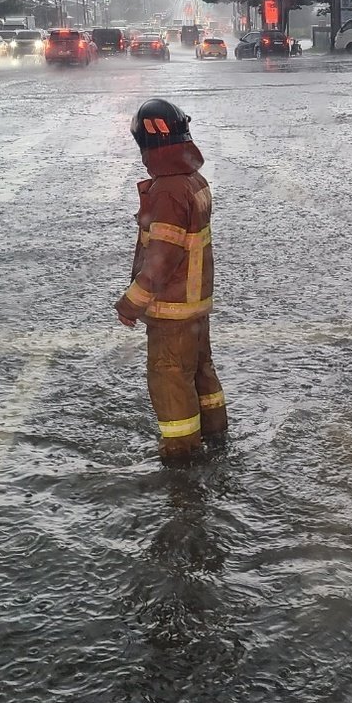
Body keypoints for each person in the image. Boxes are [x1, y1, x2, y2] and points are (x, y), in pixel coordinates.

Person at [115, 98, 227, 457]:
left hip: (172, 309)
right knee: (199, 370)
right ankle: (216, 435)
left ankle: (181, 456)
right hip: (195, 305)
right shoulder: (194, 181)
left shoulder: (168, 191)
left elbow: (161, 259)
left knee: (169, 378)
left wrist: (131, 303)